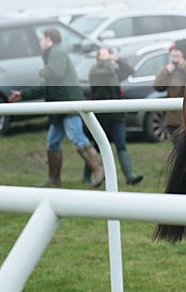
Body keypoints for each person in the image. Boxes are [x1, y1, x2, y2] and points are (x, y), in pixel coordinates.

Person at [8, 28, 104, 187]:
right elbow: (45, 85)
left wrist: (42, 70)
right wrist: (23, 95)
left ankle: (99, 169)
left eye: (42, 39)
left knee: (76, 136)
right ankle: (54, 179)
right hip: (59, 106)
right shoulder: (52, 55)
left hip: (68, 103)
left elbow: (55, 73)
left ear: (48, 39)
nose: (40, 43)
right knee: (53, 141)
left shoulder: (56, 52)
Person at [87, 47, 143, 185]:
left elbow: (130, 71)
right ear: (99, 57)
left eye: (109, 55)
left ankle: (129, 176)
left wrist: (117, 60)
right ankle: (87, 176)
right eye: (104, 55)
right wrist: (108, 61)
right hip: (101, 117)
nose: (107, 58)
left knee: (121, 146)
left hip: (117, 116)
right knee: (97, 147)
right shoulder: (95, 71)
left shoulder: (113, 70)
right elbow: (108, 72)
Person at [153, 39, 186, 138]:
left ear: (183, 51)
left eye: (176, 50)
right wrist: (165, 71)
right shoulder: (170, 69)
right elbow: (157, 86)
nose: (173, 53)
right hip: (173, 120)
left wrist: (183, 65)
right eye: (172, 50)